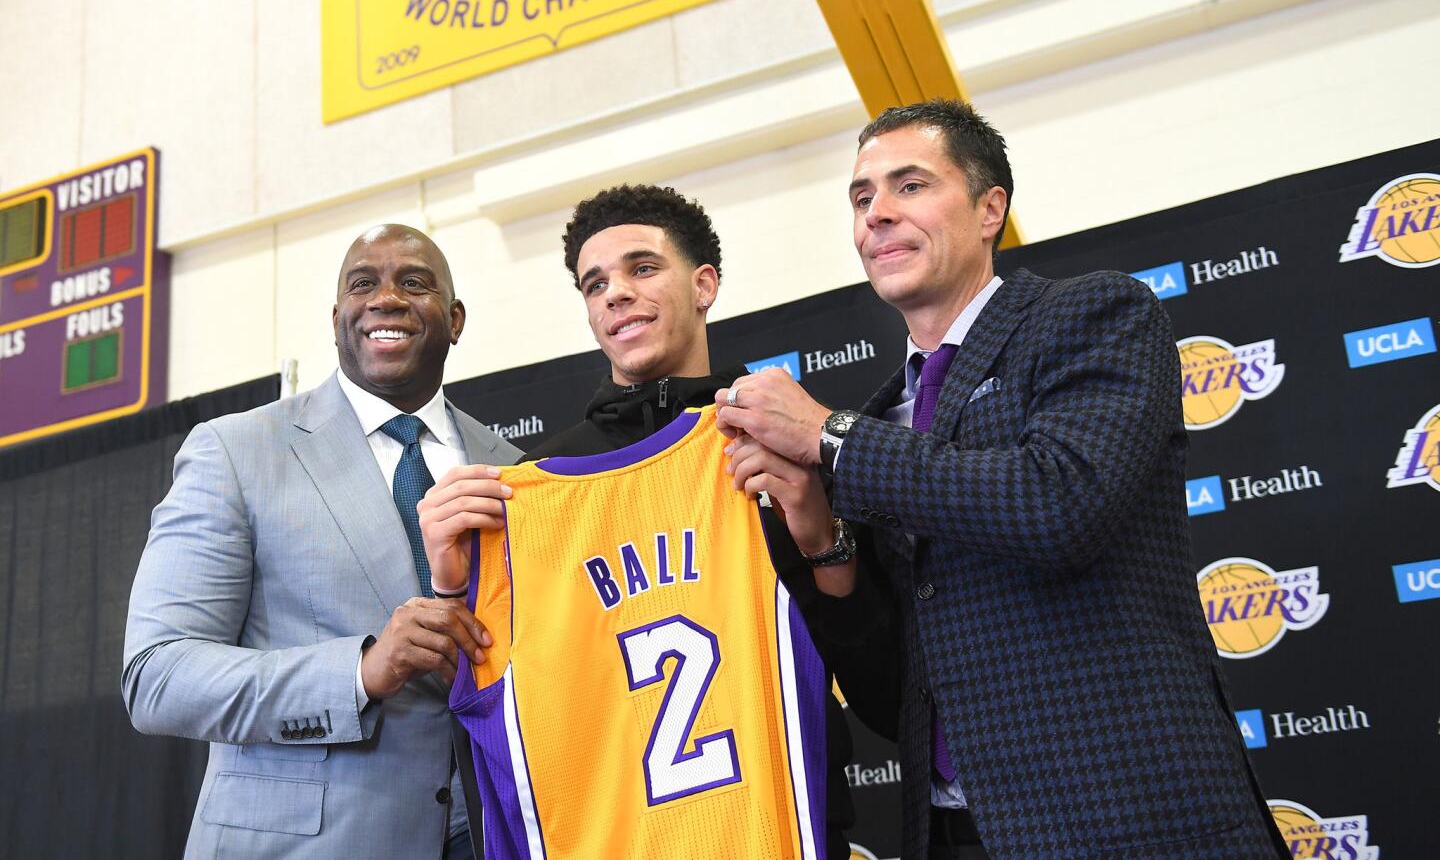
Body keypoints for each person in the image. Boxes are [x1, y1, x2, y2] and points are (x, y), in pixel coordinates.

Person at [715, 99, 1291, 860]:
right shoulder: (880, 421)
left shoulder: (1093, 314)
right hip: (954, 835)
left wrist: (827, 435)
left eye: (910, 186)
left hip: (1131, 822)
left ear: (991, 209)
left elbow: (1062, 505)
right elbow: (896, 701)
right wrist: (823, 537)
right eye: (861, 198)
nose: (876, 215)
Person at [418, 184, 856, 858]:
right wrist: (452, 591)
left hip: (782, 823)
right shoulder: (533, 492)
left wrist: (822, 534)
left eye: (642, 269)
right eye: (595, 285)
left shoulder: (779, 437)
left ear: (704, 284)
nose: (615, 294)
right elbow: (491, 714)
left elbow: (865, 662)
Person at [123, 224, 519, 859]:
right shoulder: (236, 450)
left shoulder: (517, 469)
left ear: (455, 318)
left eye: (414, 283)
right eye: (363, 284)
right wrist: (360, 672)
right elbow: (158, 678)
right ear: (338, 318)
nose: (385, 298)